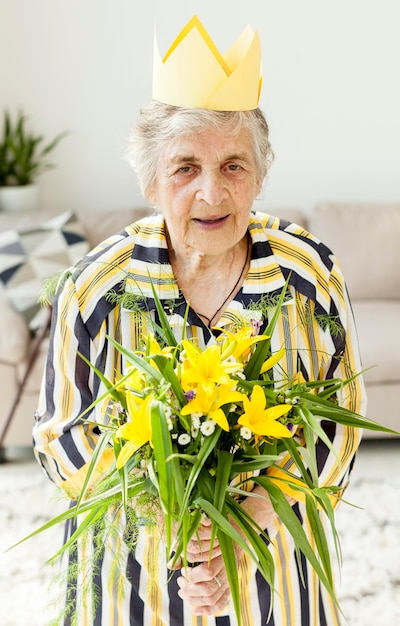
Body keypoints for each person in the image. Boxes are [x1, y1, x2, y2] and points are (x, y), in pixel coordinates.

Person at [33, 15, 366, 626]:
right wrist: (180, 520)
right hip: (133, 574)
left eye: (234, 166)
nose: (212, 194)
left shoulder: (307, 275)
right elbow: (62, 439)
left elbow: (337, 430)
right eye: (186, 168)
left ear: (260, 175)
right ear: (152, 182)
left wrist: (248, 518)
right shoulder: (95, 288)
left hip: (273, 564)